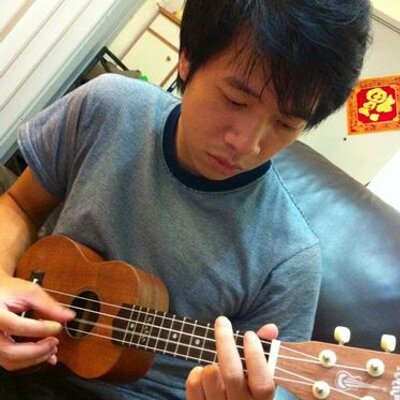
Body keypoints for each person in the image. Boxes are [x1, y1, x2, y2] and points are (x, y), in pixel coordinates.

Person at [0, 0, 371, 399]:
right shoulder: (109, 107)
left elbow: (277, 384)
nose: (246, 143)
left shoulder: (289, 259)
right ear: (187, 59)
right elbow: (19, 206)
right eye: (236, 99)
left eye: (285, 123)